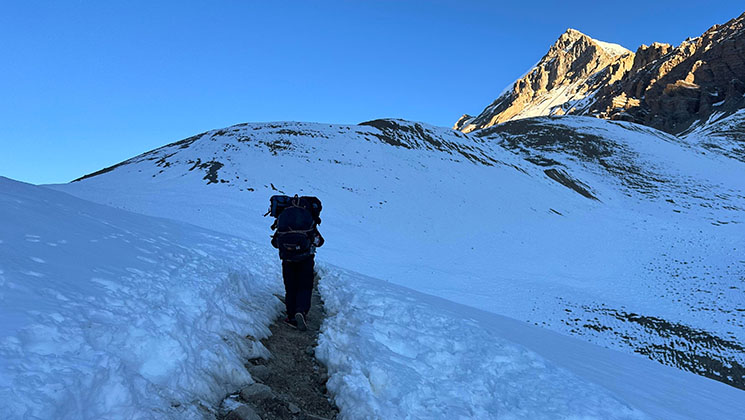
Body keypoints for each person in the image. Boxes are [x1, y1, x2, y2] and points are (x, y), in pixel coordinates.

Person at [270, 198, 324, 331]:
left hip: (287, 259)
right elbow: (319, 242)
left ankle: (291, 316)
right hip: (306, 259)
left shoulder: (283, 219)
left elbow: (275, 243)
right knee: (304, 287)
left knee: (290, 287)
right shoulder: (308, 221)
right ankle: (301, 311)